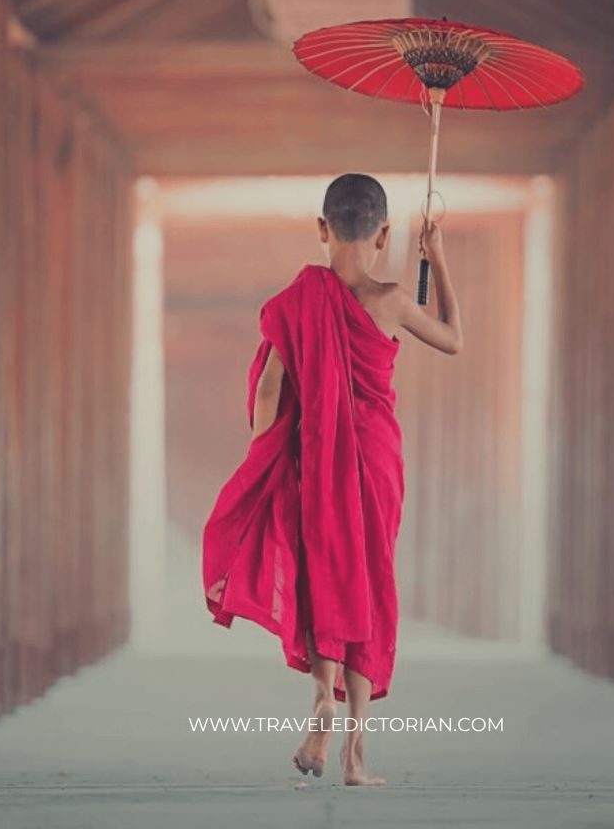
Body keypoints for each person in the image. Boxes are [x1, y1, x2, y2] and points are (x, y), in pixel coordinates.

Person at [202, 173, 462, 786]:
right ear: (384, 233)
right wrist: (439, 260)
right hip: (376, 459)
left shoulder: (298, 299)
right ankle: (355, 755)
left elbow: (270, 383)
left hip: (315, 457)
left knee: (325, 576)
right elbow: (453, 338)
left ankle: (320, 704)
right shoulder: (395, 299)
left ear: (322, 230)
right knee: (369, 582)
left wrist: (266, 457)